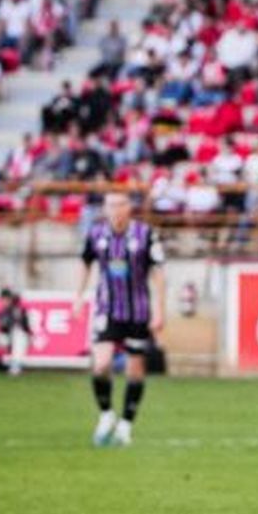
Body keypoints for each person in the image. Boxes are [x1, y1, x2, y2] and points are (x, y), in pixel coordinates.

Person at [76, 190, 167, 447]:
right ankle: (106, 414)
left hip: (137, 311)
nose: (115, 210)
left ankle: (126, 424)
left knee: (134, 370)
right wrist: (78, 296)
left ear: (129, 208)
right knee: (101, 364)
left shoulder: (146, 234)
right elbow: (85, 262)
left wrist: (160, 309)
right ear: (105, 209)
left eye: (120, 204)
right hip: (107, 309)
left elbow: (158, 272)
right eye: (111, 205)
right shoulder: (96, 234)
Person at [0, 288, 33, 375]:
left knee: (18, 334)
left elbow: (26, 328)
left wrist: (15, 316)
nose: (4, 301)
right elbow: (2, 328)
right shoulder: (3, 312)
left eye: (6, 298)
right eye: (3, 299)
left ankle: (15, 365)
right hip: (7, 338)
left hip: (21, 338)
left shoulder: (19, 310)